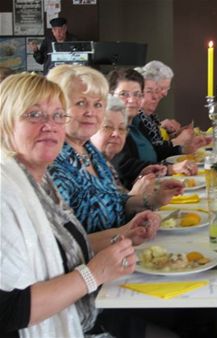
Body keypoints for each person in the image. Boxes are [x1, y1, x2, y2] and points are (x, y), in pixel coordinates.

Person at [0, 73, 160, 337]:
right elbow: (7, 311)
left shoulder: (41, 185)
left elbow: (65, 248)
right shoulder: (7, 193)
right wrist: (93, 275)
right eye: (34, 115)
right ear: (5, 124)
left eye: (57, 116)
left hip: (84, 311)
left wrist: (125, 234)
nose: (49, 125)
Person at [47, 65, 183, 233]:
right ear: (58, 108)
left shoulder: (89, 149)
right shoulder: (54, 164)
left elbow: (115, 201)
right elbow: (67, 247)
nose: (91, 112)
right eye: (81, 103)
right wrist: (124, 234)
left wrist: (152, 199)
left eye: (97, 104)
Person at [108, 68, 198, 189]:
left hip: (153, 185)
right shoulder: (111, 130)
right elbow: (124, 166)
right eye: (124, 94)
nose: (132, 100)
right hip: (136, 195)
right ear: (110, 95)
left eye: (137, 94)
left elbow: (155, 149)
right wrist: (169, 169)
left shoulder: (137, 122)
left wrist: (182, 149)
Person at [135, 60, 211, 159]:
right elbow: (152, 153)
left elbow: (158, 145)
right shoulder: (136, 118)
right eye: (150, 91)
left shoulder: (149, 116)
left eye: (157, 91)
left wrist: (184, 146)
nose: (157, 96)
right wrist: (178, 141)